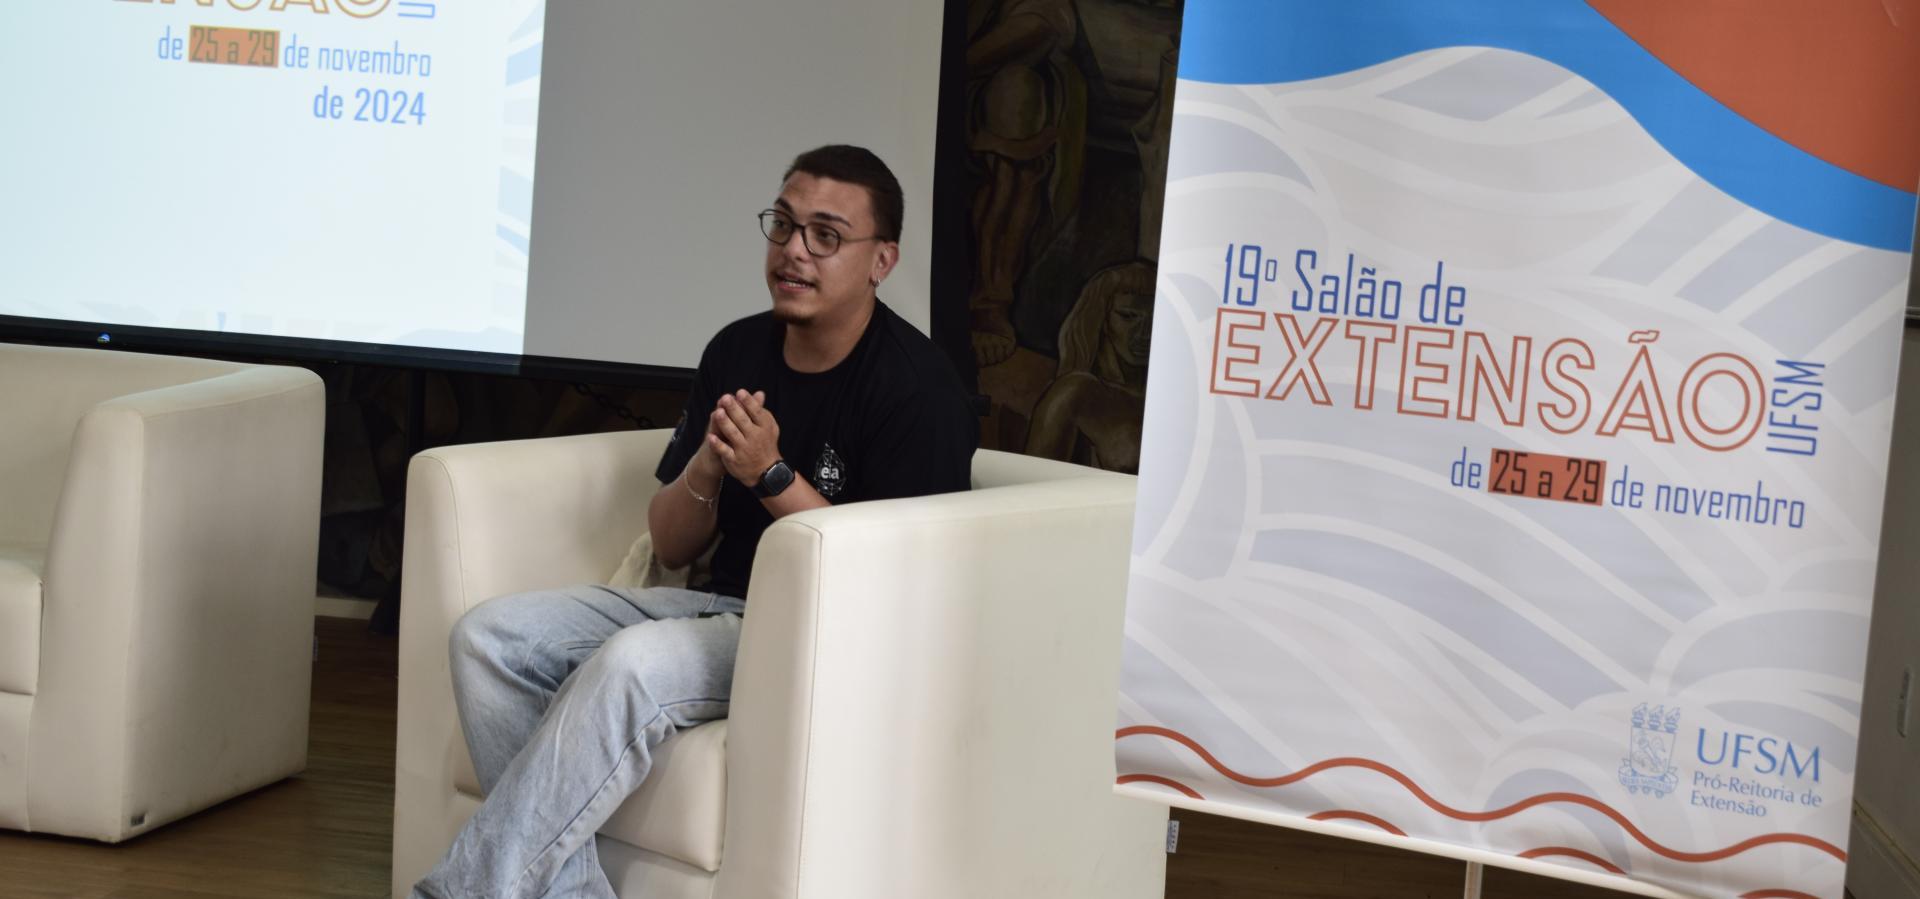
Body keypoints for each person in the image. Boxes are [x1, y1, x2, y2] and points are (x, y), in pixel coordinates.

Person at [412, 145, 978, 899]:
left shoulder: (918, 388)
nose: (794, 252)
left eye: (825, 235)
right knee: (490, 639)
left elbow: (883, 589)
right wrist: (710, 466)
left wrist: (772, 476)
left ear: (881, 260)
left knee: (631, 665)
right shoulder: (738, 347)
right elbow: (674, 542)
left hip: (812, 632)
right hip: (711, 605)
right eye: (782, 225)